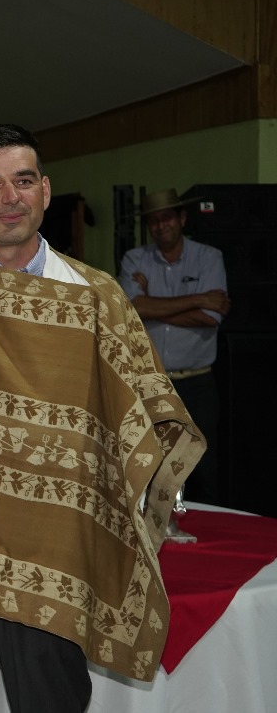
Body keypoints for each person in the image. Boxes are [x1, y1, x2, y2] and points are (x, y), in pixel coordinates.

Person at [0, 124, 204, 712]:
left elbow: (151, 414)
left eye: (23, 181)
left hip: (58, 557)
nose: (10, 198)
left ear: (45, 191)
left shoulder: (99, 300)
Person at [119, 188, 229, 504]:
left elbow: (210, 318)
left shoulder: (209, 257)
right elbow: (131, 310)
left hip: (197, 383)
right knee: (153, 465)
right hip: (150, 383)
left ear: (181, 218)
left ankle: (206, 531)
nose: (160, 226)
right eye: (153, 220)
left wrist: (150, 304)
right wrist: (199, 298)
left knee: (203, 468)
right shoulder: (134, 259)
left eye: (166, 217)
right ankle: (159, 531)